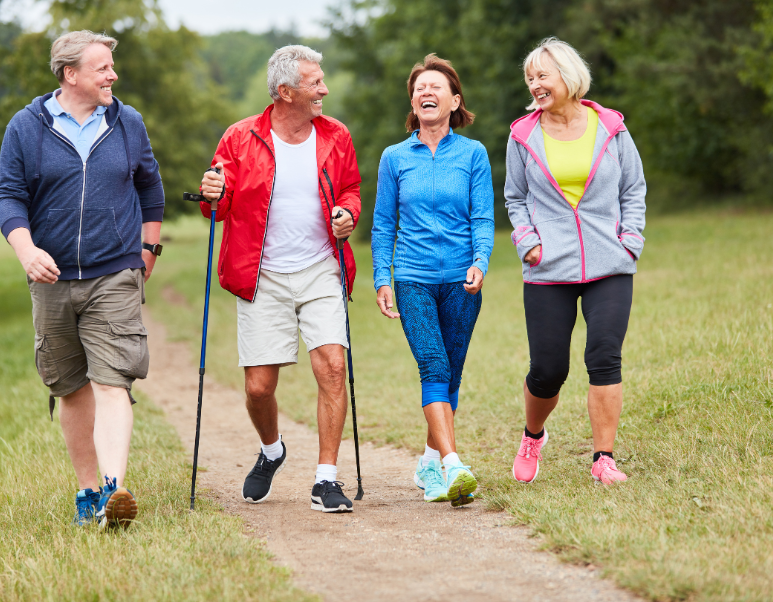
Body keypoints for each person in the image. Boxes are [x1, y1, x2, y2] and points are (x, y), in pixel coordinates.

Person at [0, 31, 165, 527]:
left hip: (114, 271)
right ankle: (88, 493)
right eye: (103, 68)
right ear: (71, 74)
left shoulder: (127, 122)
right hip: (51, 279)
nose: (114, 75)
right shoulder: (26, 127)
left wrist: (147, 250)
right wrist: (26, 251)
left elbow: (149, 187)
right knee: (70, 387)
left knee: (113, 382)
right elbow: (9, 196)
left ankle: (115, 490)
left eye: (112, 67)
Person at [198, 45, 361, 513]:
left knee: (332, 364)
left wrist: (347, 214)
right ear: (285, 91)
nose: (324, 89)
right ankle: (272, 450)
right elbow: (219, 206)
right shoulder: (239, 138)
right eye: (315, 83)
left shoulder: (335, 135)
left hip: (320, 269)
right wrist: (213, 191)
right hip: (261, 275)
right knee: (259, 389)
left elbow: (350, 189)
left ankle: (326, 479)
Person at [504, 37, 646, 486]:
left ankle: (603, 458)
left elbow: (633, 189)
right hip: (548, 266)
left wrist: (630, 241)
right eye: (530, 78)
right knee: (549, 370)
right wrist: (528, 242)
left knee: (604, 356)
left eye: (542, 75)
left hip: (610, 261)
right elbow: (515, 196)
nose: (535, 84)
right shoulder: (522, 135)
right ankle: (533, 435)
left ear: (568, 75)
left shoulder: (611, 127)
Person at [371, 54, 494, 506]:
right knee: (434, 366)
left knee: (451, 374)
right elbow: (383, 224)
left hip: (463, 280)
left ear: (454, 100)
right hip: (413, 278)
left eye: (436, 87)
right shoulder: (394, 157)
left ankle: (428, 460)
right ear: (412, 100)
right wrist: (381, 277)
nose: (426, 92)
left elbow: (483, 216)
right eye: (419, 87)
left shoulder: (473, 154)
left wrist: (481, 260)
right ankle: (454, 464)